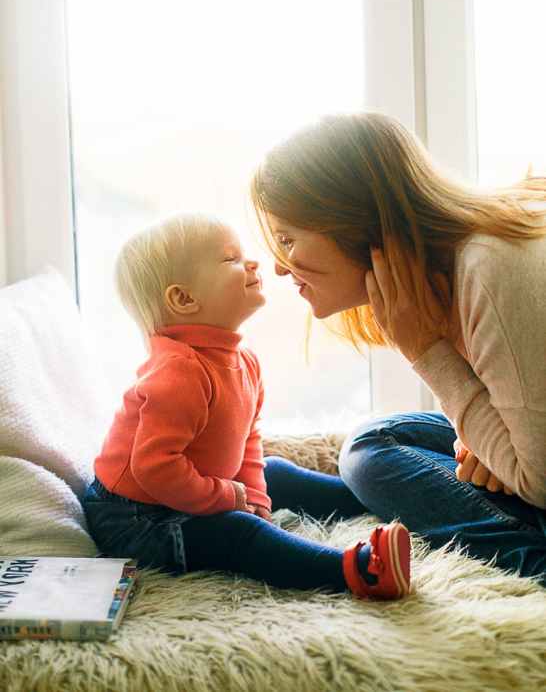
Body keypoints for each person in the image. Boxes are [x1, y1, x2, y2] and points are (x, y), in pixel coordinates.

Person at [250, 112, 546, 585]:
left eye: (288, 240)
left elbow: (538, 480)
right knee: (377, 440)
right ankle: (375, 499)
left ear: (351, 220)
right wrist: (484, 442)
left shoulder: (487, 268)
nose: (282, 268)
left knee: (371, 453)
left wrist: (427, 352)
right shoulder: (457, 267)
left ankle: (532, 560)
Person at [82, 212, 411, 601]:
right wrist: (228, 498)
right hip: (135, 518)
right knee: (237, 532)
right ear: (184, 299)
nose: (253, 262)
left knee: (275, 472)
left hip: (186, 488)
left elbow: (247, 440)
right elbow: (155, 469)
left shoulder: (244, 361)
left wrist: (254, 495)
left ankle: (383, 499)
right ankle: (358, 570)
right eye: (230, 259)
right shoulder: (178, 373)